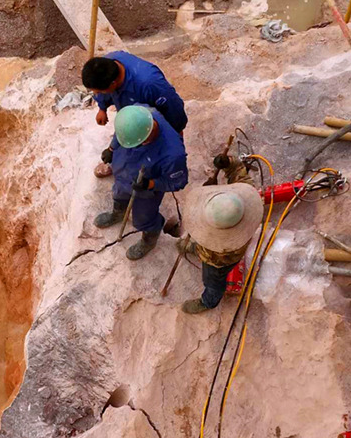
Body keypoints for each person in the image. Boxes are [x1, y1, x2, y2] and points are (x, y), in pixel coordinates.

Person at [94, 104, 188, 261]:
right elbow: (121, 133)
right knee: (118, 194)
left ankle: (149, 239)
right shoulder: (137, 114)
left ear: (148, 136)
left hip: (145, 191)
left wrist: (150, 184)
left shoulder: (172, 154)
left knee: (144, 218)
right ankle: (118, 214)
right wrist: (111, 149)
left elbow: (178, 182)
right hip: (123, 176)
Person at [82, 51, 188, 176]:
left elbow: (173, 108)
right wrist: (102, 107)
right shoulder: (105, 66)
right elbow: (104, 92)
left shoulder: (150, 84)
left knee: (153, 150)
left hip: (151, 118)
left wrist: (174, 138)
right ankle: (121, 162)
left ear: (113, 84)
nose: (97, 94)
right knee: (130, 136)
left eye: (100, 92)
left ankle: (155, 171)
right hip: (133, 113)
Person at [180, 183, 263, 314]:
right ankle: (195, 249)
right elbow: (243, 178)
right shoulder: (240, 205)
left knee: (213, 281)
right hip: (223, 250)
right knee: (205, 251)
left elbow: (210, 257)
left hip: (221, 261)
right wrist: (229, 163)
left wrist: (198, 249)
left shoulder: (221, 252)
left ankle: (208, 302)